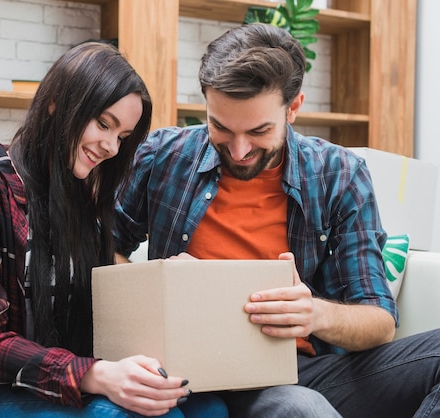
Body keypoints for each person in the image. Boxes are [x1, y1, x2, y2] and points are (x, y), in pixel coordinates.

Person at [113, 23, 440, 417]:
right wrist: (161, 286)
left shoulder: (338, 173)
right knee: (302, 410)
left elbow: (379, 320)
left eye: (259, 130)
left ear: (294, 108)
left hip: (300, 370)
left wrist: (315, 313)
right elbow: (99, 250)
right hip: (187, 368)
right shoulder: (163, 155)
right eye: (220, 127)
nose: (238, 149)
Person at [0, 42, 228, 418]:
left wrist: (168, 283)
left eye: (123, 136)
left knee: (209, 408)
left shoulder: (86, 201)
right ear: (56, 103)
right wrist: (96, 375)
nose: (111, 147)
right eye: (104, 124)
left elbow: (103, 316)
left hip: (73, 381)